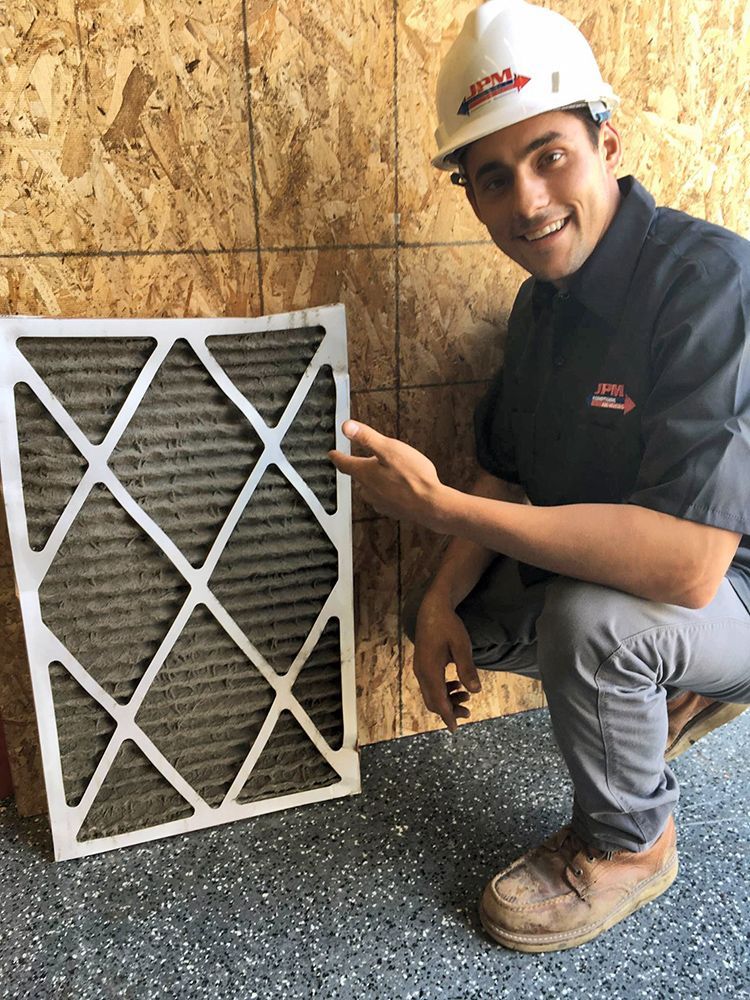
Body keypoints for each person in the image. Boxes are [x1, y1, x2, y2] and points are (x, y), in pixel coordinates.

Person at [329, 0, 750, 953]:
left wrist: (437, 504)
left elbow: (687, 569)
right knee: (469, 616)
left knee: (594, 624)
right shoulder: (541, 310)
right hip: (671, 584)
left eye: (549, 154)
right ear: (472, 196)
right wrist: (437, 596)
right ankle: (674, 690)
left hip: (732, 581)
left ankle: (631, 845)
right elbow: (506, 476)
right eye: (493, 176)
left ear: (607, 142)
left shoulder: (712, 283)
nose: (526, 199)